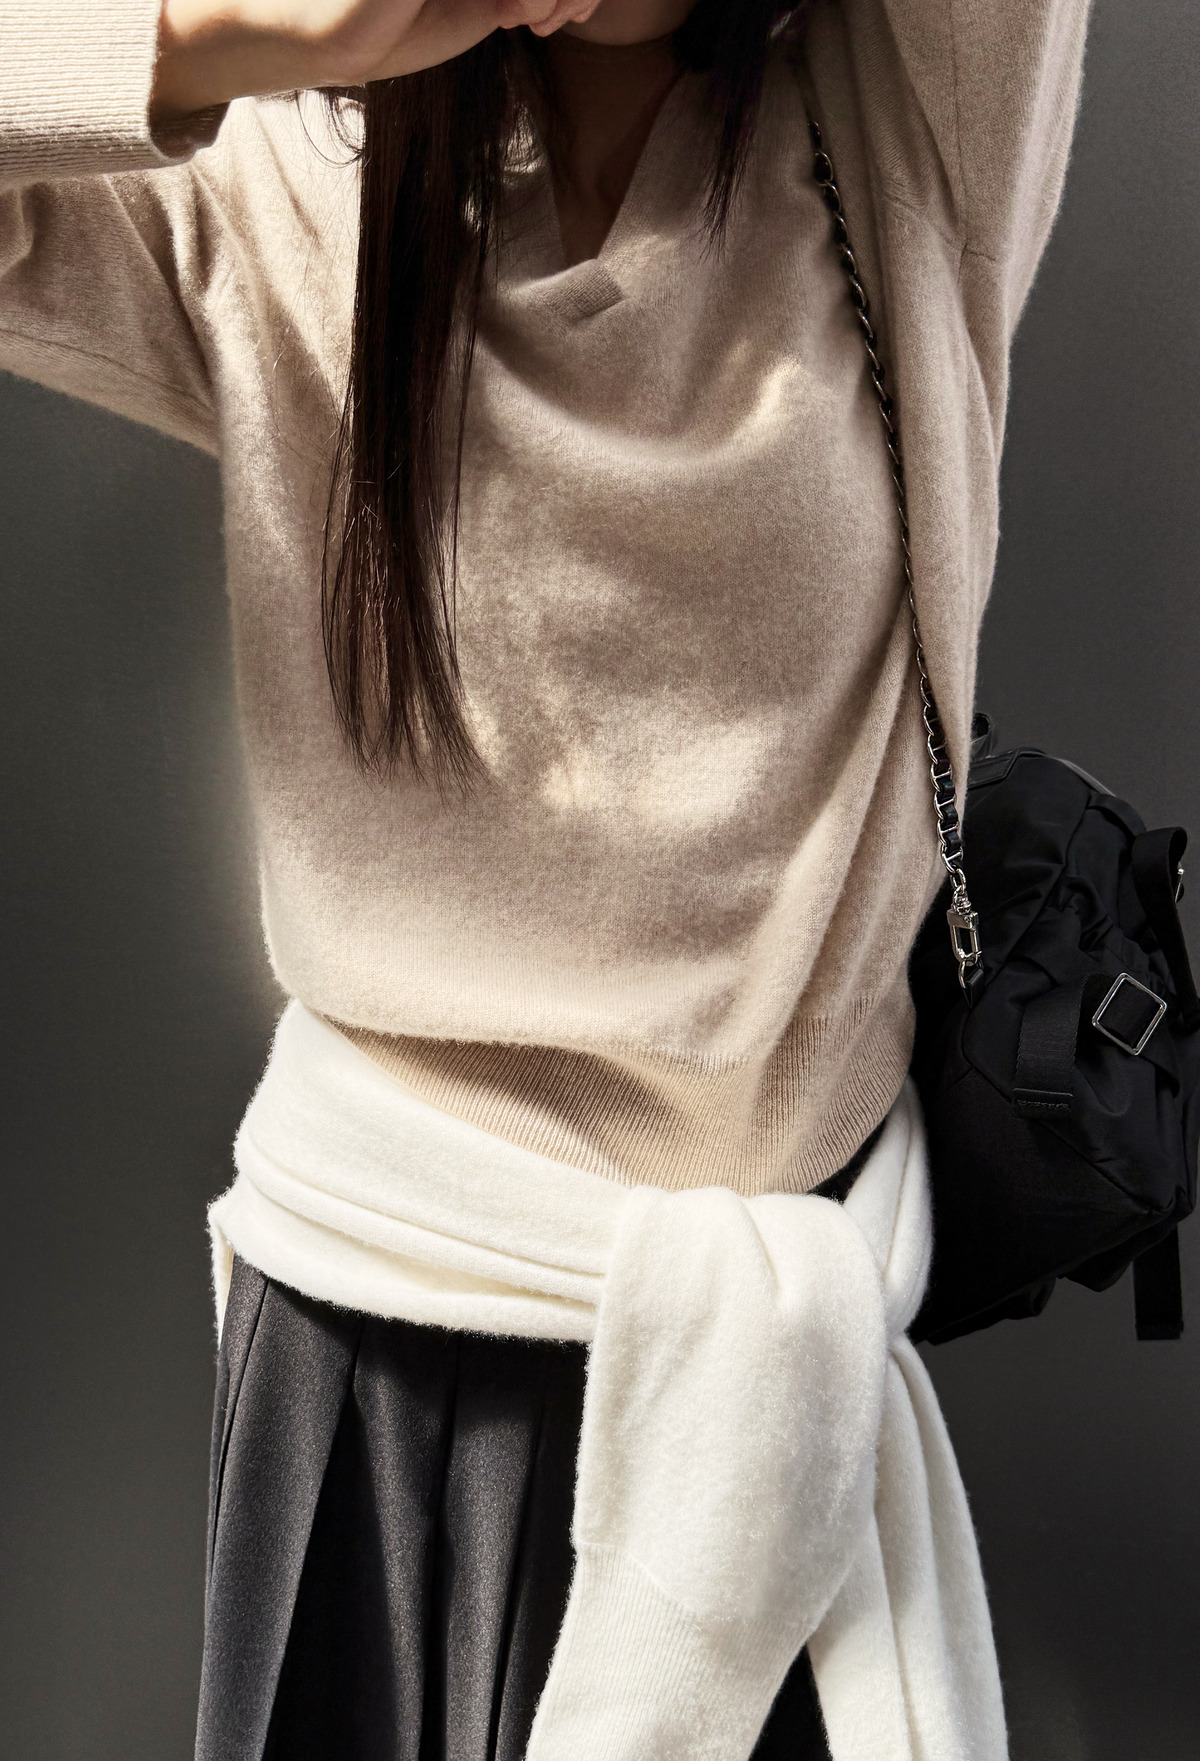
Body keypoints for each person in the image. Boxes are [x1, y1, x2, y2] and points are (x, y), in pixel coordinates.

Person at [0, 0, 1092, 1756]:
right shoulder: (282, 171)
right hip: (371, 1337)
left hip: (766, 1376)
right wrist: (225, 33)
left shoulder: (902, 123)